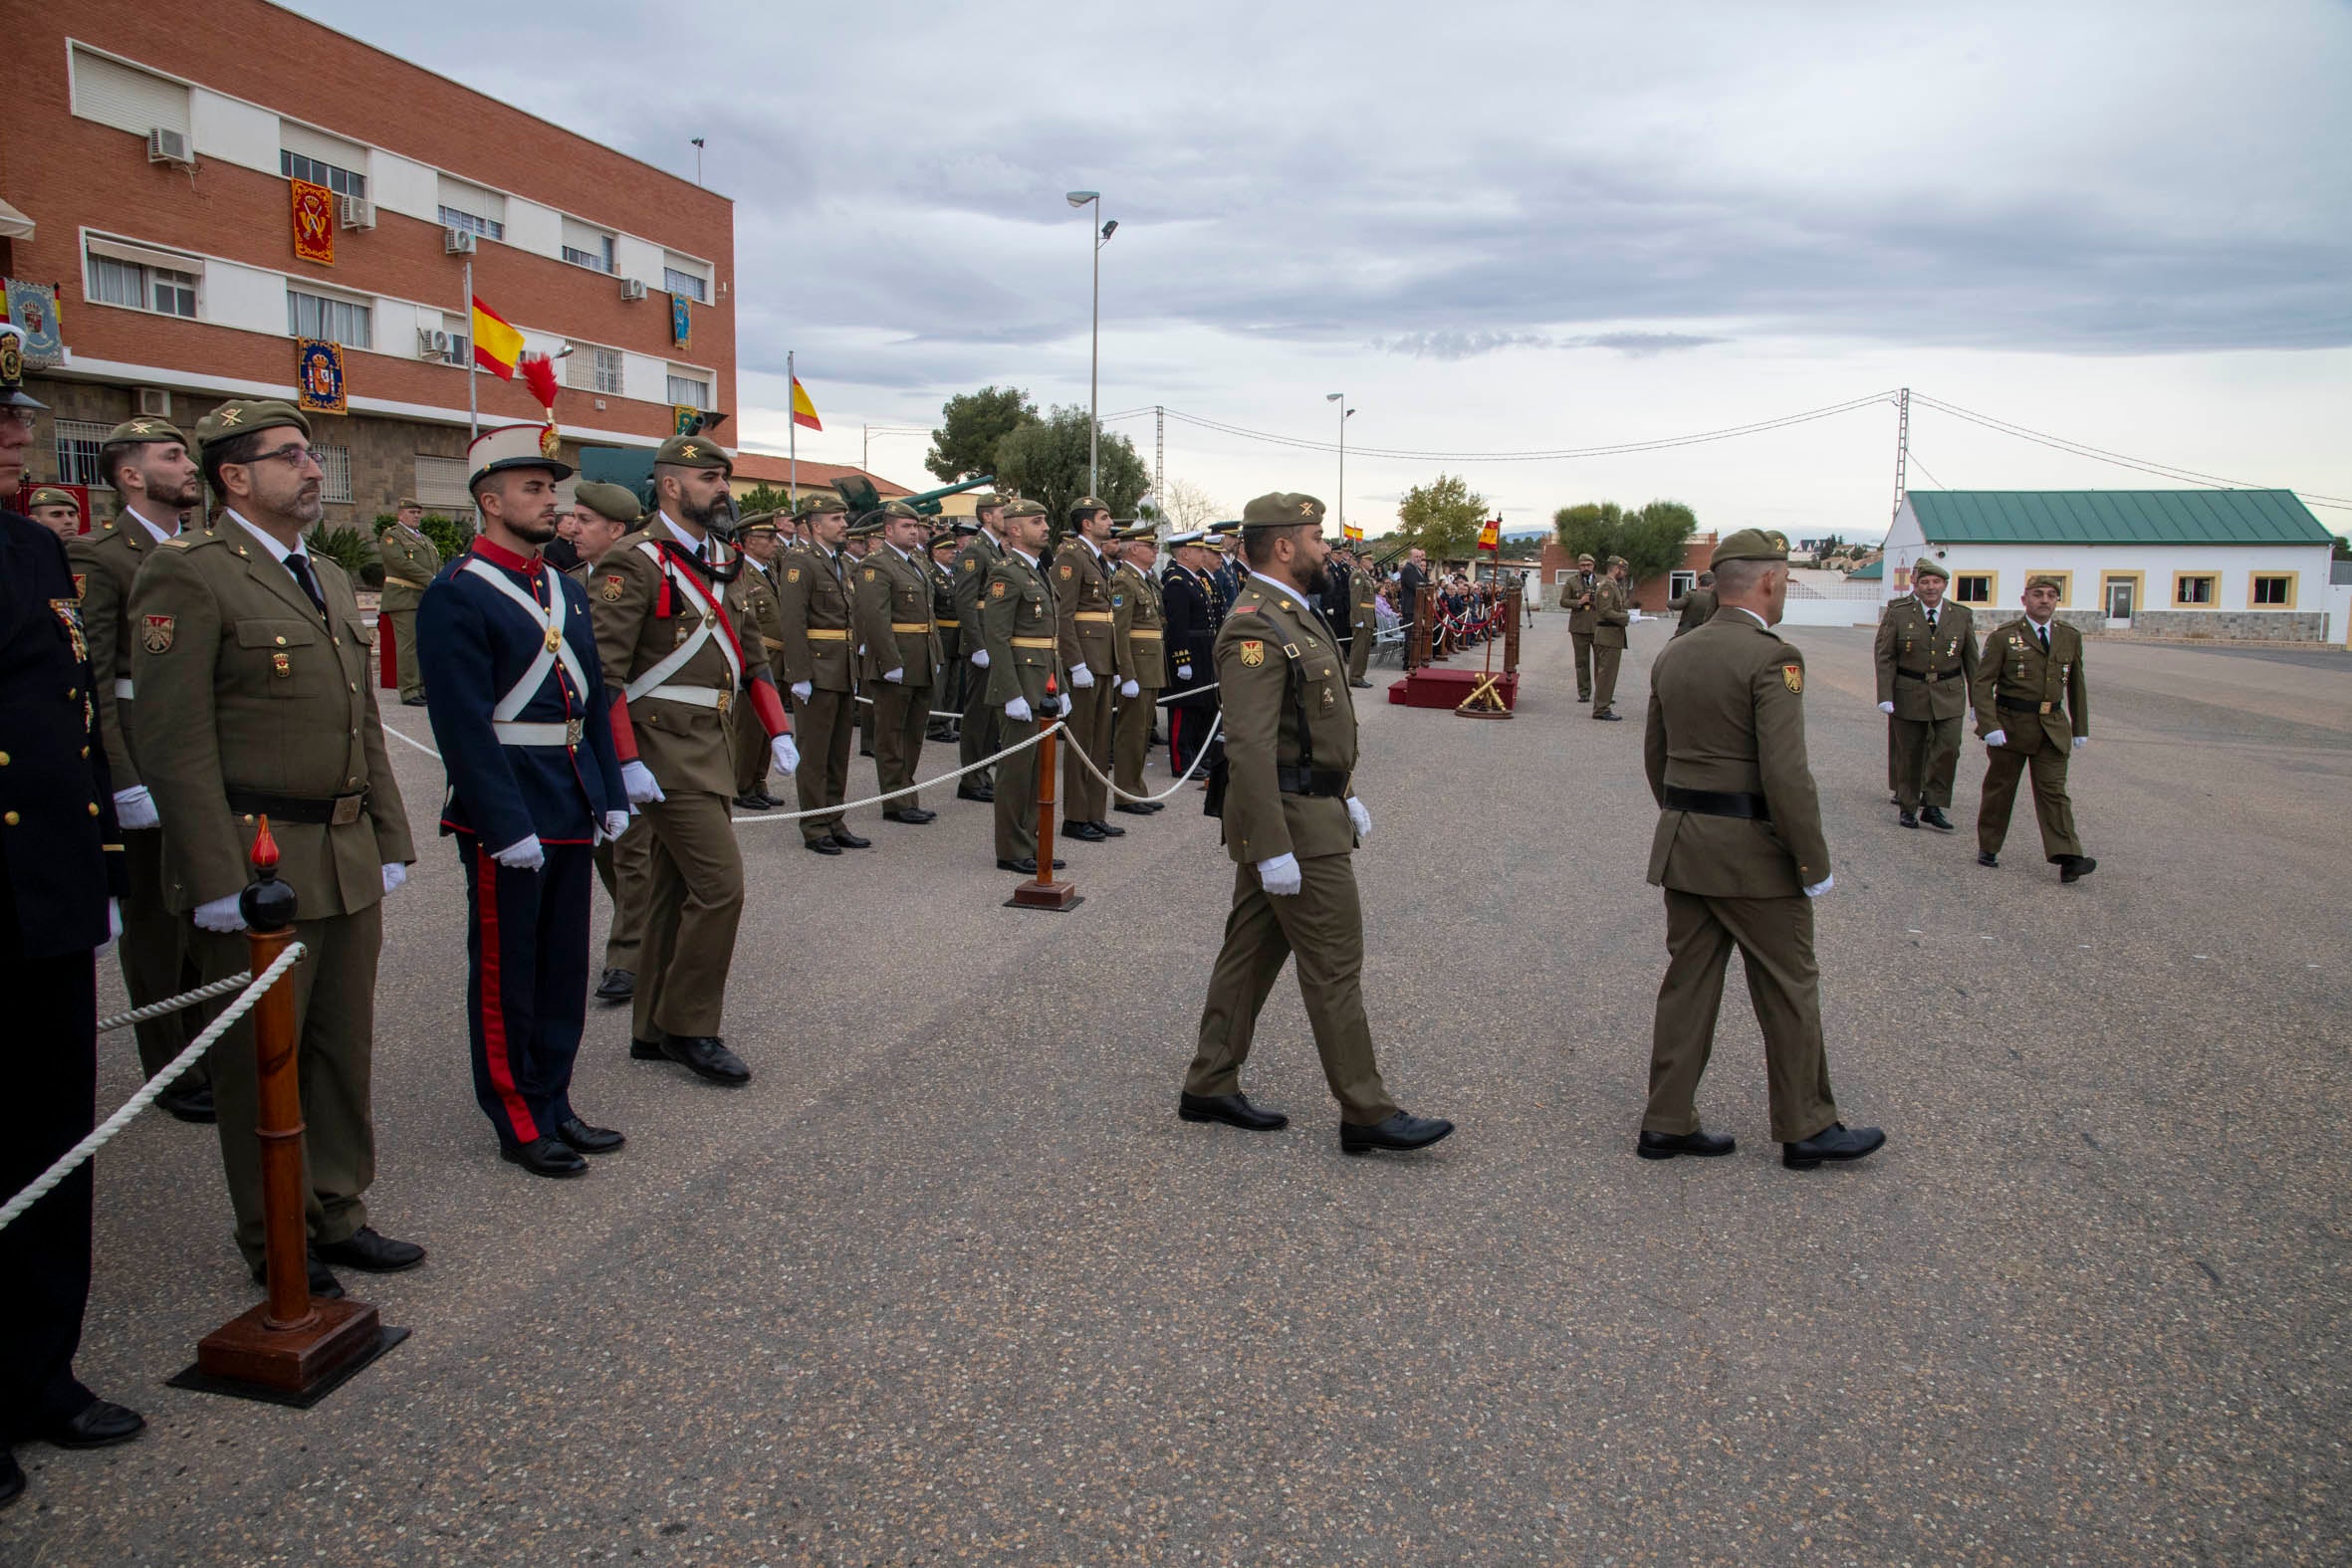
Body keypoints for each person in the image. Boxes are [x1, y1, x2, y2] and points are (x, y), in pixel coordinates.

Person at [130, 398, 424, 1296]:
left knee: (341, 1045)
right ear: (234, 476)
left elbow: (361, 723)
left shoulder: (328, 577)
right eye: (290, 454)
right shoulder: (191, 574)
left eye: (311, 451)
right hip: (259, 857)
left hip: (340, 851)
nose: (310, 467)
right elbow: (175, 743)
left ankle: (338, 1208)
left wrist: (389, 832)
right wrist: (213, 875)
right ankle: (277, 1239)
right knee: (262, 1062)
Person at [1184, 492, 1453, 1156]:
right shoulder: (1255, 624)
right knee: (1334, 962)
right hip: (1293, 825)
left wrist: (1347, 790)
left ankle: (1210, 1081)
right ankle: (1366, 1108)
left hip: (1310, 807)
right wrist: (1274, 846)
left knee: (1250, 953)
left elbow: (1309, 728)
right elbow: (1248, 747)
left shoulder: (1288, 613)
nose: (1325, 548)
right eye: (1316, 536)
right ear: (1283, 545)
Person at [0, 329, 146, 1510]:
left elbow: (70, 715)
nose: (20, 427)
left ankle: (39, 1372)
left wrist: (93, 857)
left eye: (19, 411)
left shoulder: (35, 551)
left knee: (49, 1145)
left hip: (42, 892)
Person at [416, 422, 629, 1178]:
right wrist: (503, 824)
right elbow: (462, 724)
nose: (552, 502)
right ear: (489, 498)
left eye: (552, 488)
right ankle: (516, 1114)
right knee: (510, 970)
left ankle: (556, 1099)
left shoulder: (564, 586)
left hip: (568, 797)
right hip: (508, 807)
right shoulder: (457, 592)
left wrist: (608, 791)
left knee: (563, 965)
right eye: (534, 488)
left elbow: (593, 697)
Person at [1637, 527, 1884, 1170]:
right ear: (1770, 579)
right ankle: (1807, 1125)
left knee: (1687, 984)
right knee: (1789, 984)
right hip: (1753, 854)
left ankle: (1666, 1120)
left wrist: (1686, 817)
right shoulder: (1775, 656)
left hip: (1686, 842)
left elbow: (1656, 757)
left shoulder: (1676, 653)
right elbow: (1786, 775)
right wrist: (1812, 861)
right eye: (1785, 579)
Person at [588, 432, 797, 1085]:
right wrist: (624, 761)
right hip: (659, 749)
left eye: (723, 477)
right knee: (720, 887)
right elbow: (605, 676)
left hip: (712, 744)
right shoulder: (634, 561)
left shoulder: (722, 560)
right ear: (672, 484)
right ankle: (690, 1026)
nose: (723, 489)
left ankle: (651, 1028)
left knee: (675, 889)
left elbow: (752, 655)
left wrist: (778, 728)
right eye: (710, 478)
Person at [69, 417, 213, 1122]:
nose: (188, 465)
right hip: (145, 758)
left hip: (199, 752)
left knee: (206, 904)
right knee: (156, 926)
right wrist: (123, 778)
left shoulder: (201, 549)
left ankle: (208, 1045)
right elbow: (93, 678)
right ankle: (172, 1069)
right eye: (171, 454)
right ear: (130, 474)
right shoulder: (101, 555)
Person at [566, 481, 647, 1003]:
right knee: (604, 848)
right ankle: (644, 933)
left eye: (584, 521)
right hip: (582, 736)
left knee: (634, 852)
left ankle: (630, 957)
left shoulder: (639, 576)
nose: (571, 529)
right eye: (571, 518)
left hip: (632, 730)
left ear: (616, 530)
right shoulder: (568, 582)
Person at [1972, 575, 2094, 881]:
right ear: (2024, 599)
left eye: (2051, 595)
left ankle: (2068, 856)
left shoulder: (2069, 636)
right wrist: (1989, 724)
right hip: (2011, 726)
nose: (2045, 600)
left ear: (2057, 601)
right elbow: (1983, 682)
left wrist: (2080, 726)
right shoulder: (2004, 637)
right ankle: (1989, 845)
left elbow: (2077, 684)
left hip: (2052, 728)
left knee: (2054, 793)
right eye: (2038, 594)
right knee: (2000, 790)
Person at [979, 498, 1066, 873]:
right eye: (1036, 521)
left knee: (1037, 772)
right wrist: (1011, 692)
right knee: (1016, 773)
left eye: (1045, 520)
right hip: (1018, 686)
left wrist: (1060, 686)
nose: (1045, 527)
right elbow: (996, 637)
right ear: (1014, 530)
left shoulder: (1037, 571)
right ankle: (1012, 849)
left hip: (1041, 683)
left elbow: (1051, 638)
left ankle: (1031, 842)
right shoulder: (1006, 573)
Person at [775, 492, 863, 855]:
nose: (844, 525)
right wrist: (799, 673)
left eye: (843, 519)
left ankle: (834, 818)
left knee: (838, 750)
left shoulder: (840, 563)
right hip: (816, 666)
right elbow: (792, 621)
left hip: (841, 667)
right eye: (836, 519)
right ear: (815, 526)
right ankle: (814, 824)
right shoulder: (801, 561)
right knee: (814, 752)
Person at [852, 500, 942, 825]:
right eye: (906, 526)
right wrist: (890, 661)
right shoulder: (876, 564)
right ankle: (895, 800)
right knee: (891, 734)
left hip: (920, 658)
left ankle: (907, 792)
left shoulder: (916, 562)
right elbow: (875, 618)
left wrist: (936, 655)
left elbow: (927, 615)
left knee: (914, 733)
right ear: (888, 530)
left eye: (915, 526)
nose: (914, 531)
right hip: (895, 662)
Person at [1873, 559, 1977, 831]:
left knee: (1948, 749)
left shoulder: (1961, 615)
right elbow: (1886, 656)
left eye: (1936, 582)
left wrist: (1979, 702)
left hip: (1949, 694)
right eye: (1925, 582)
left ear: (1944, 585)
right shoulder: (1899, 613)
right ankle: (1908, 806)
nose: (1931, 587)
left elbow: (1972, 662)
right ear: (1916, 586)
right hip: (1910, 691)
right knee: (1910, 753)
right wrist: (1885, 694)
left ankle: (1933, 805)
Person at [1056, 496, 1122, 842]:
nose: (1110, 522)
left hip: (1102, 660)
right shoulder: (1071, 556)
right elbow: (1063, 614)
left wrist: (1116, 662)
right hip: (1085, 660)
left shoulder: (1098, 558)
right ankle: (1076, 816)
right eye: (1104, 517)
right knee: (1081, 741)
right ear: (1086, 524)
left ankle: (1095, 813)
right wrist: (1075, 662)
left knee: (1098, 742)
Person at [951, 495, 1009, 802]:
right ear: (987, 517)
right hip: (982, 643)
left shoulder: (996, 550)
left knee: (990, 715)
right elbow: (965, 601)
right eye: (1003, 512)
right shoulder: (975, 550)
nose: (1008, 516)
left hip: (995, 641)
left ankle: (982, 772)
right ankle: (971, 778)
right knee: (977, 714)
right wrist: (977, 644)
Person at [730, 514, 789, 810]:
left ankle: (758, 781)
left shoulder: (768, 571)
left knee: (767, 726)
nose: (775, 544)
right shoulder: (740, 573)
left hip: (774, 658)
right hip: (753, 660)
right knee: (749, 727)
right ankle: (741, 785)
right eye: (769, 538)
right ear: (750, 541)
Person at [1110, 525, 1167, 813]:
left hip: (1150, 664)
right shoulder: (1124, 580)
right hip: (1137, 666)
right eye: (1150, 546)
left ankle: (1136, 788)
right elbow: (1120, 632)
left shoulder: (1143, 579)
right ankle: (1126, 793)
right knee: (1131, 732)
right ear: (1134, 549)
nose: (1156, 551)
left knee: (1142, 731)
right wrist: (1126, 673)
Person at [1159, 531, 1221, 781]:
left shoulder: (1192, 579)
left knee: (1201, 706)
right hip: (1189, 653)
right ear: (1184, 552)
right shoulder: (1176, 582)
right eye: (1198, 550)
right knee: (1184, 709)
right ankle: (1180, 762)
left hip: (1203, 649)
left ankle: (1195, 757)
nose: (1203, 554)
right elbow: (1177, 626)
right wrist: (1182, 660)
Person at [375, 498, 439, 706]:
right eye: (412, 512)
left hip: (423, 598)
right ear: (401, 514)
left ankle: (421, 687)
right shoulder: (392, 536)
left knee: (422, 644)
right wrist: (431, 580)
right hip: (403, 598)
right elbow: (400, 563)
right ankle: (409, 690)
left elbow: (435, 564)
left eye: (419, 512)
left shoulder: (425, 540)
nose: (417, 516)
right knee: (408, 646)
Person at [1589, 556, 1632, 720]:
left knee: (1607, 674)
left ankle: (1603, 705)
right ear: (1616, 569)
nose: (1624, 574)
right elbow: (1606, 612)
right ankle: (1601, 709)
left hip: (1612, 635)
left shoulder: (1613, 585)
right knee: (1606, 674)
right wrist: (1627, 618)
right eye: (1623, 570)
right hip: (1608, 635)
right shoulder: (1607, 586)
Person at [1562, 553, 1598, 700]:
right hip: (1579, 627)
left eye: (1588, 565)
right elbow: (1563, 601)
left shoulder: (1602, 580)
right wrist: (1579, 602)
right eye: (1583, 565)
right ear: (1579, 566)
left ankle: (1603, 693)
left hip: (1598, 627)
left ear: (1593, 566)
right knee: (1581, 662)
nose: (1586, 568)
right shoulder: (1571, 582)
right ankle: (1584, 692)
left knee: (1601, 663)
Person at [1346, 545, 1378, 686]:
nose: (1372, 562)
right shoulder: (1358, 575)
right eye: (1369, 560)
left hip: (1368, 616)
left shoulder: (1365, 575)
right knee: (1359, 649)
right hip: (1362, 617)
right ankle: (1354, 677)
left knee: (1365, 649)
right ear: (1362, 561)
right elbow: (1355, 599)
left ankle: (1360, 675)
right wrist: (1358, 619)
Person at [1396, 547, 1431, 668]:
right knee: (1411, 635)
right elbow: (1416, 586)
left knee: (1417, 635)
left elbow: (1427, 582)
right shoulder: (1408, 569)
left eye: (1420, 557)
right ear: (1410, 557)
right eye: (1416, 557)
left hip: (1418, 607)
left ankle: (1416, 658)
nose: (1418, 559)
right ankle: (1408, 662)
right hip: (1411, 608)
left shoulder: (1417, 570)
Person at [1669, 570, 1717, 637]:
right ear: (1712, 585)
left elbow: (1677, 605)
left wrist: (1669, 603)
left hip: (1685, 633)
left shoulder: (1691, 594)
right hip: (1705, 634)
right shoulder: (1716, 598)